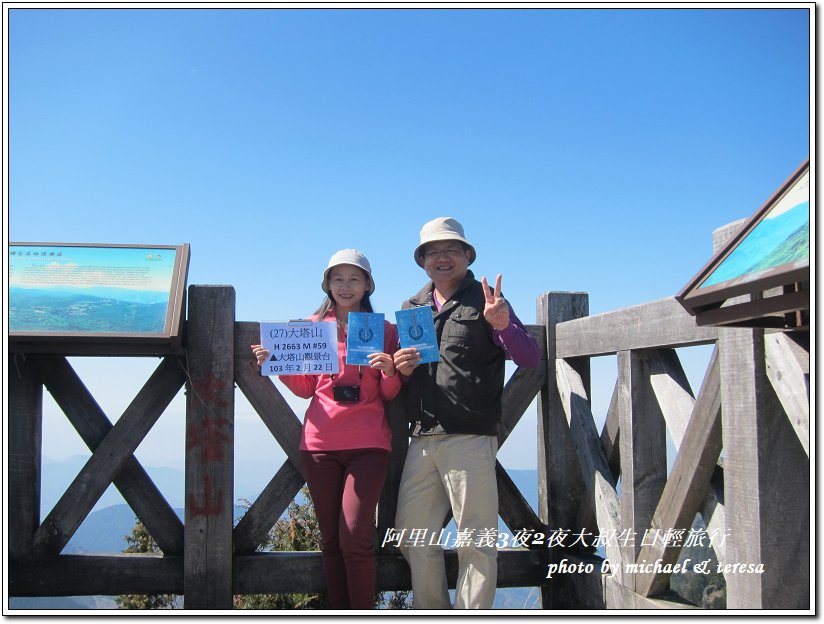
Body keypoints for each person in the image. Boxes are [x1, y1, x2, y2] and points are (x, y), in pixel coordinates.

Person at [392, 217, 540, 609]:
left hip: (470, 435)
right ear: (422, 260)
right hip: (422, 436)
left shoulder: (487, 300)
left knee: (476, 540)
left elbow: (528, 358)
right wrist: (402, 369)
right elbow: (412, 376)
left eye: (451, 249)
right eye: (433, 251)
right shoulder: (412, 307)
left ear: (467, 256)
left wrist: (504, 325)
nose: (442, 258)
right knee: (411, 535)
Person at [252, 249, 401, 610]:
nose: (345, 286)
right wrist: (275, 363)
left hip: (369, 444)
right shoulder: (311, 327)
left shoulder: (385, 331)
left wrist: (390, 371)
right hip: (319, 444)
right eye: (338, 278)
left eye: (353, 278)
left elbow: (388, 393)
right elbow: (305, 388)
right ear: (327, 284)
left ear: (368, 284)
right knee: (332, 541)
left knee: (355, 538)